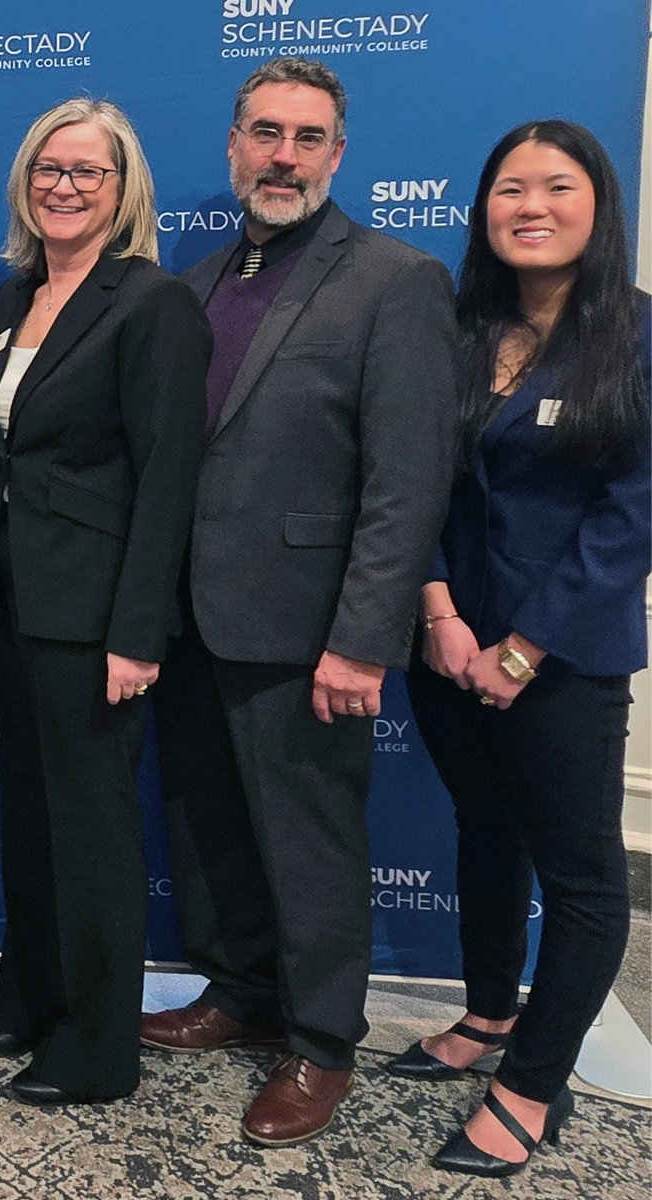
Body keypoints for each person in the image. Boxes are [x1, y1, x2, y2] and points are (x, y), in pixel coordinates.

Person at [138, 57, 460, 1146]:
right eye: (266, 133)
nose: (284, 155)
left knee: (311, 843)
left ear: (338, 153)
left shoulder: (395, 278)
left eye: (308, 137)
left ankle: (322, 1044)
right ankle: (240, 996)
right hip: (194, 619)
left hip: (313, 629)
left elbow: (408, 482)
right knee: (214, 827)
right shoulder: (202, 279)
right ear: (232, 146)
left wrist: (364, 641)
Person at [390, 120, 649, 1178]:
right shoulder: (458, 332)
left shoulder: (634, 335)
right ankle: (489, 1013)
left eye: (556, 187)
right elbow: (418, 484)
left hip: (565, 661)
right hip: (448, 647)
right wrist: (444, 618)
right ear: (483, 209)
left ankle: (533, 1083)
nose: (529, 207)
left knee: (581, 874)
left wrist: (525, 648)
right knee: (483, 831)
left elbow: (632, 515)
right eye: (509, 189)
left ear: (598, 206)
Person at [0, 100, 209, 1107]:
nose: (64, 185)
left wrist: (138, 631)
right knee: (32, 814)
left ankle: (99, 1046)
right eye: (48, 168)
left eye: (87, 172)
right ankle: (32, 996)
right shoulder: (14, 299)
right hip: (25, 604)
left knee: (94, 831)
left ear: (122, 190)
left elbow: (167, 479)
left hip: (100, 616)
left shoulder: (151, 304)